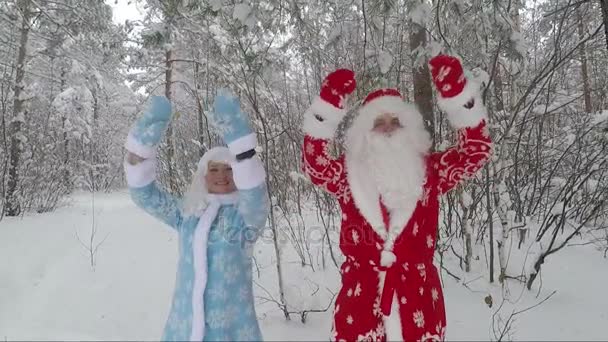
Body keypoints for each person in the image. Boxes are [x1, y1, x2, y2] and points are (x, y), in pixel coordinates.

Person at [301, 55, 493, 341]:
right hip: (361, 307)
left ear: (410, 127)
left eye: (396, 121)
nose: (388, 127)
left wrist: (457, 95)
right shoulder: (346, 174)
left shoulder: (431, 172)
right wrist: (327, 108)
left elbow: (476, 152)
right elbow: (314, 165)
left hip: (419, 304)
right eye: (379, 121)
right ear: (364, 132)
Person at [123, 89, 269, 341]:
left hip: (231, 329)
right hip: (184, 325)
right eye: (214, 169)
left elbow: (255, 192)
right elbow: (144, 195)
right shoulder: (189, 213)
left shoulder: (245, 217)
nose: (221, 175)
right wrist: (144, 141)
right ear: (204, 175)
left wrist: (239, 138)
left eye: (229, 169)